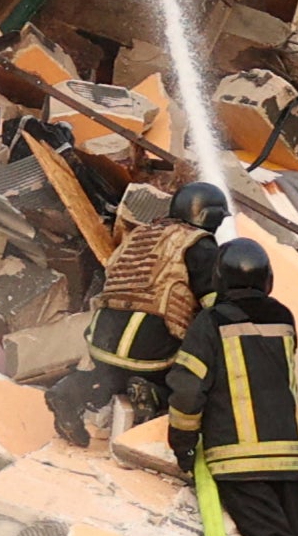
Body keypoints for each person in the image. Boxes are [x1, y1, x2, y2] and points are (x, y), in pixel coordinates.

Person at [166, 233, 298, 536]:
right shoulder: (284, 317)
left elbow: (187, 388)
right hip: (290, 458)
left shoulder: (211, 322)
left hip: (239, 459)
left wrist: (182, 442)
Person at [56, 182, 198, 443]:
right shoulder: (199, 245)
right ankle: (154, 394)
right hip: (150, 348)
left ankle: (68, 389)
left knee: (110, 375)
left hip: (103, 335)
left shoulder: (140, 235)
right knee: (186, 374)